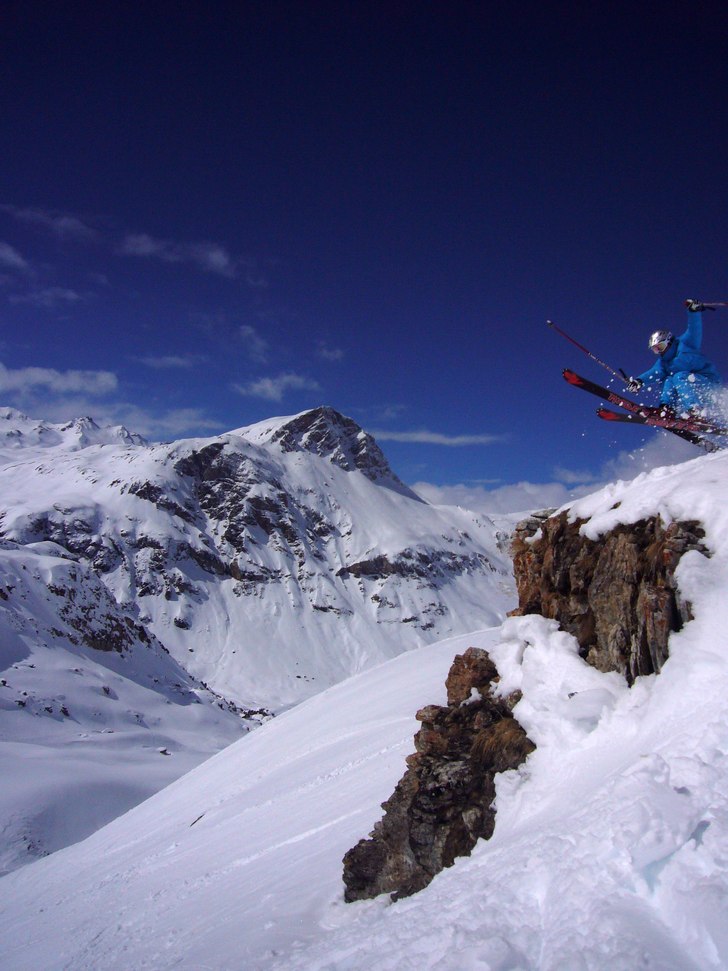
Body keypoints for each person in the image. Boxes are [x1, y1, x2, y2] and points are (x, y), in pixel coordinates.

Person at [627, 299, 721, 417]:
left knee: (679, 376)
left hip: (709, 383)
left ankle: (695, 410)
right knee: (669, 379)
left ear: (669, 342)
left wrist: (693, 311)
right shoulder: (663, 362)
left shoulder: (686, 343)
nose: (659, 351)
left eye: (660, 347)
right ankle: (667, 409)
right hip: (691, 387)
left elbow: (694, 328)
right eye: (655, 349)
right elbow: (654, 373)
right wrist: (638, 381)